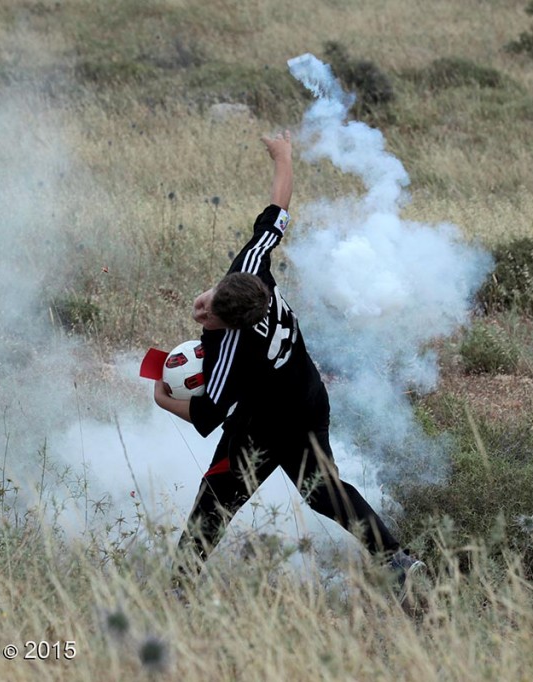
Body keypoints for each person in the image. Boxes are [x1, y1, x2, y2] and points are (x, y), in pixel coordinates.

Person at [153, 131, 424, 592]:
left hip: (268, 425)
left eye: (210, 314)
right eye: (208, 299)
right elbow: (277, 213)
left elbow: (208, 414)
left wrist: (161, 397)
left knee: (216, 497)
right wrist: (283, 156)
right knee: (326, 493)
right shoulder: (252, 266)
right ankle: (398, 561)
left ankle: (177, 588)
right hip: (309, 397)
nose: (201, 310)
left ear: (231, 324)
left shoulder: (230, 355)